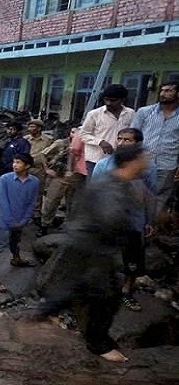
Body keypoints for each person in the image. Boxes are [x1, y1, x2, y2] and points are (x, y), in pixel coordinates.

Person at [38, 145, 148, 362]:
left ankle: (41, 314)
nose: (147, 163)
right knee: (106, 296)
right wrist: (128, 235)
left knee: (78, 286)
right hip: (91, 246)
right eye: (143, 159)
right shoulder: (110, 186)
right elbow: (110, 218)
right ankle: (97, 345)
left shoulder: (118, 183)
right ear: (130, 162)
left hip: (88, 244)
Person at [92, 128, 157, 312]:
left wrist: (149, 221)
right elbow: (94, 192)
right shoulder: (104, 164)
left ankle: (127, 291)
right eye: (119, 138)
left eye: (127, 140)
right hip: (107, 220)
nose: (121, 143)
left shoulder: (147, 168)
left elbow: (150, 195)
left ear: (138, 144)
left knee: (133, 259)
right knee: (102, 257)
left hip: (134, 221)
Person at [0, 154, 40, 293]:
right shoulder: (5, 179)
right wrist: (11, 221)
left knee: (15, 241)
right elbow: (2, 202)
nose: (14, 165)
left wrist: (24, 220)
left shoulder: (34, 182)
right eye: (14, 162)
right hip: (5, 220)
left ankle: (16, 258)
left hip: (20, 220)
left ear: (27, 166)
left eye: (18, 162)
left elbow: (32, 202)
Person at [131, 80, 179, 218]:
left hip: (167, 165)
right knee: (138, 197)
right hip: (142, 163)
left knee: (159, 200)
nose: (163, 94)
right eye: (162, 91)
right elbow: (133, 136)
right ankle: (137, 229)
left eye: (168, 91)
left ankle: (151, 231)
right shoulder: (145, 112)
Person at [80, 84, 136, 176]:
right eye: (106, 99)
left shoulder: (131, 113)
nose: (109, 103)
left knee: (114, 188)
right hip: (96, 160)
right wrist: (100, 142)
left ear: (122, 100)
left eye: (113, 100)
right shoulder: (94, 114)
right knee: (96, 188)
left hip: (120, 160)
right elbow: (83, 134)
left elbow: (134, 134)